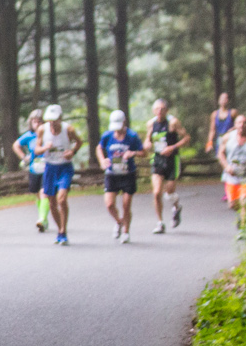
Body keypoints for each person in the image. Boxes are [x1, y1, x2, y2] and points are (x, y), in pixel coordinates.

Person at [95, 109, 146, 244]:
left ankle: (126, 232)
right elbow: (99, 148)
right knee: (109, 204)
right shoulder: (107, 136)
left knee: (126, 205)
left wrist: (133, 153)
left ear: (124, 123)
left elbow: (143, 152)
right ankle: (119, 222)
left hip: (128, 174)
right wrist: (102, 160)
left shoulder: (132, 136)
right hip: (112, 174)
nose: (117, 130)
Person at [36, 103, 83, 245]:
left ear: (60, 118)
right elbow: (37, 150)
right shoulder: (42, 130)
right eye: (49, 119)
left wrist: (72, 152)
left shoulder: (68, 129)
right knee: (51, 202)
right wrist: (45, 147)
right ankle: (60, 230)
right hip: (50, 168)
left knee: (62, 199)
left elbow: (79, 142)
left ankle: (63, 231)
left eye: (54, 119)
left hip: (64, 167)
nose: (52, 122)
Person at [146, 97, 187, 233]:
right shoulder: (151, 124)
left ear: (167, 110)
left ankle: (176, 207)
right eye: (157, 109)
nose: (159, 112)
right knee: (157, 192)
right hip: (157, 159)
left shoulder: (173, 122)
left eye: (162, 109)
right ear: (153, 110)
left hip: (171, 160)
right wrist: (147, 144)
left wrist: (172, 147)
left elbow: (187, 138)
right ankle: (160, 222)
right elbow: (148, 140)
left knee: (169, 191)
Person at [12, 108, 48, 232]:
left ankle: (42, 219)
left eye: (39, 121)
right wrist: (24, 157)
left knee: (44, 192)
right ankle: (42, 217)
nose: (37, 124)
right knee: (37, 193)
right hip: (34, 168)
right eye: (34, 122)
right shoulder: (29, 136)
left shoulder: (48, 134)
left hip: (47, 168)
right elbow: (16, 145)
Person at [221, 117, 246, 224]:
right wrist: (226, 166)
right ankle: (240, 215)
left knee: (244, 200)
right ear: (235, 125)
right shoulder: (228, 137)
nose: (242, 125)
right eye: (239, 123)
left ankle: (243, 228)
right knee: (233, 204)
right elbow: (220, 153)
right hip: (232, 175)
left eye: (245, 123)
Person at [206, 91, 237, 155]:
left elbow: (239, 125)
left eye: (225, 98)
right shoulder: (214, 114)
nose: (223, 101)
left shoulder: (233, 113)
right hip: (220, 141)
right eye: (222, 98)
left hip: (231, 140)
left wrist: (232, 129)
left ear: (228, 100)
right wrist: (209, 143)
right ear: (219, 101)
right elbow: (212, 130)